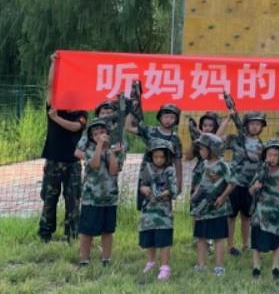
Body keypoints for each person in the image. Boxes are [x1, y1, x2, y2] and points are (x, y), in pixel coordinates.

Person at [39, 53, 88, 243]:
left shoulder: (81, 112)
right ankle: (45, 235)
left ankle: (72, 235)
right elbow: (50, 86)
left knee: (73, 200)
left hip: (73, 162)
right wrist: (54, 63)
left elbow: (76, 127)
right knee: (49, 199)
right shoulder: (54, 107)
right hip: (53, 160)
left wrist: (56, 119)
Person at [76, 118, 126, 266]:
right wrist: (99, 146)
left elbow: (114, 170)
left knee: (108, 230)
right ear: (91, 137)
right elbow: (95, 165)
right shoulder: (89, 149)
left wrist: (112, 152)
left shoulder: (116, 149)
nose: (100, 135)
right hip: (91, 197)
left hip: (109, 196)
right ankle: (84, 259)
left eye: (102, 132)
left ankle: (106, 259)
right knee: (87, 231)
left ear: (108, 133)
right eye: (96, 133)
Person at [190, 133, 235, 276]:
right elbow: (199, 182)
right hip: (202, 208)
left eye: (203, 148)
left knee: (218, 238)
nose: (200, 151)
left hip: (217, 208)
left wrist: (222, 197)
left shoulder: (222, 165)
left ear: (212, 150)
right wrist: (195, 195)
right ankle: (201, 265)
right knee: (201, 237)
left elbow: (232, 183)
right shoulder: (203, 164)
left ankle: (219, 266)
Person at [249, 139, 279, 280]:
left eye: (275, 155)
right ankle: (256, 267)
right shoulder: (261, 170)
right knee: (256, 240)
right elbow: (251, 190)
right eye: (269, 155)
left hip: (276, 213)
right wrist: (254, 187)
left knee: (276, 240)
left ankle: (275, 267)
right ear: (265, 155)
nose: (272, 158)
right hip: (259, 212)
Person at [227, 111, 267, 256]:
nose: (255, 126)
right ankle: (230, 245)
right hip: (235, 184)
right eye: (252, 124)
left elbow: (263, 166)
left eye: (258, 124)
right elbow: (217, 141)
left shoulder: (263, 146)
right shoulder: (238, 140)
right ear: (246, 125)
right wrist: (229, 118)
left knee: (247, 216)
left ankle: (246, 244)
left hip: (250, 186)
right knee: (231, 216)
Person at [138, 138, 178, 281]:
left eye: (162, 157)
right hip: (148, 211)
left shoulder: (170, 170)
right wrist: (145, 190)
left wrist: (159, 195)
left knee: (164, 240)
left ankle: (165, 267)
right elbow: (142, 185)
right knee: (149, 237)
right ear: (151, 156)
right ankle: (151, 262)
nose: (159, 160)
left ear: (167, 157)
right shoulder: (147, 168)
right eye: (156, 157)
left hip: (163, 212)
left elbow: (173, 190)